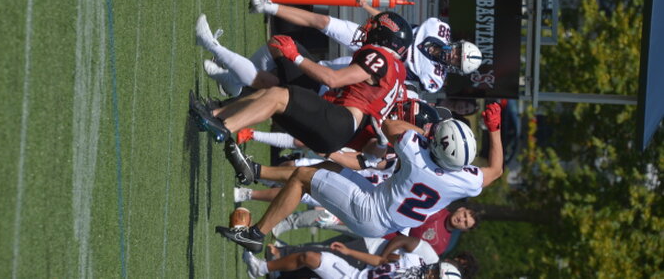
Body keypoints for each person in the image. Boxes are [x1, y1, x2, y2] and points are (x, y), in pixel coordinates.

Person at [214, 103, 503, 253]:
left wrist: (492, 129)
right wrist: (494, 131)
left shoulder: (418, 155)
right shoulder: (464, 179)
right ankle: (255, 172)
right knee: (328, 167)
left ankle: (255, 235)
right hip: (383, 213)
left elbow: (390, 126)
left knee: (303, 176)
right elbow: (496, 170)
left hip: (371, 210)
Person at [191, 10, 411, 161]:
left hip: (340, 121)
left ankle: (224, 127)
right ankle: (214, 114)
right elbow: (371, 152)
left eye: (374, 26)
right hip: (336, 137)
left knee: (277, 96)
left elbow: (333, 79)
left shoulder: (381, 57)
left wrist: (296, 57)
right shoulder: (398, 74)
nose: (366, 28)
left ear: (384, 35)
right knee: (274, 93)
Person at [203, 0, 482, 98]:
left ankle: (234, 79)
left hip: (374, 63)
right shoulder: (438, 28)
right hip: (376, 38)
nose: (452, 57)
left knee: (313, 75)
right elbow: (398, 26)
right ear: (457, 44)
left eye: (457, 62)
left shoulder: (434, 79)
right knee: (323, 22)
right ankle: (265, 6)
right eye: (458, 53)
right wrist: (370, 11)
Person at [242, 237, 443, 278]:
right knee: (309, 257)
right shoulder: (415, 261)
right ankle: (262, 268)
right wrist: (348, 252)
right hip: (353, 274)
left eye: (436, 276)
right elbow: (380, 261)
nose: (432, 274)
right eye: (436, 271)